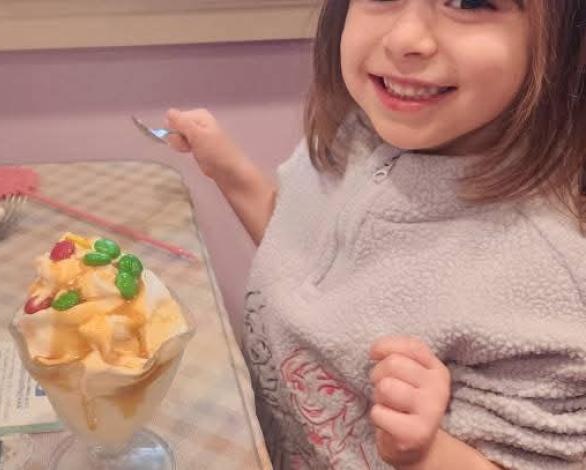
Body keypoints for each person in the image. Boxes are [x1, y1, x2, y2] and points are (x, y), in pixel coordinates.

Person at [165, 1, 586, 468]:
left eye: (469, 2)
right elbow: (302, 256)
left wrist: (426, 451)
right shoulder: (357, 134)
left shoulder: (546, 280)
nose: (405, 39)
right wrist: (232, 173)